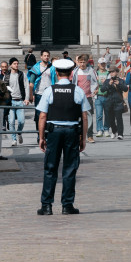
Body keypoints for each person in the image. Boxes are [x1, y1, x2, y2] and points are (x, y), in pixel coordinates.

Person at [36, 58, 90, 215]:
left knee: (50, 168)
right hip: (72, 131)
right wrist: (83, 137)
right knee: (69, 168)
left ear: (57, 73)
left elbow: (42, 116)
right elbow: (85, 117)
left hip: (54, 132)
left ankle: (46, 206)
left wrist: (41, 137)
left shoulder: (49, 91)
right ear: (71, 73)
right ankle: (67, 205)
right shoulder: (78, 91)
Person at [6, 58, 28, 146]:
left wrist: (26, 98)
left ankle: (19, 132)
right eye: (14, 63)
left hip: (20, 101)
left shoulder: (22, 74)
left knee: (21, 121)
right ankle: (13, 139)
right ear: (10, 65)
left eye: (17, 63)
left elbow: (26, 86)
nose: (16, 65)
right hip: (10, 101)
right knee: (11, 121)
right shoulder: (7, 75)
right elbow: (4, 87)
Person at [103, 68, 127, 140]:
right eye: (110, 72)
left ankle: (120, 134)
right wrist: (109, 85)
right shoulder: (107, 81)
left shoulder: (121, 81)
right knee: (111, 119)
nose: (111, 73)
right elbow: (102, 89)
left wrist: (119, 84)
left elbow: (125, 89)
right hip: (109, 102)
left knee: (119, 118)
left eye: (113, 72)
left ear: (117, 72)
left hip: (118, 102)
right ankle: (114, 131)